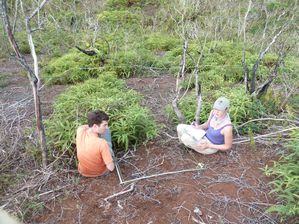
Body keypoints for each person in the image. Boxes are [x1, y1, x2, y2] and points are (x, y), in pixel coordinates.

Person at [76, 110, 115, 177]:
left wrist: (93, 126)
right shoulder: (102, 143)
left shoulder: (80, 130)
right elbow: (111, 168)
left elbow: (85, 126)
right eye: (104, 125)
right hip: (100, 172)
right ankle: (110, 154)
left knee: (104, 131)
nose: (107, 127)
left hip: (82, 171)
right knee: (107, 132)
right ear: (95, 126)